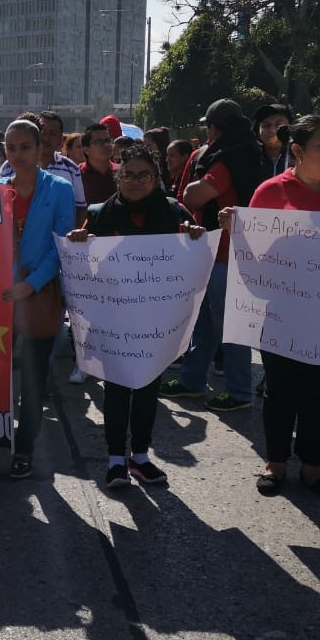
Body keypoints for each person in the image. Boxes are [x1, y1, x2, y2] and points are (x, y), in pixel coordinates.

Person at [229, 114, 320, 499]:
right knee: (280, 389)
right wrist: (236, 232)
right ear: (297, 151)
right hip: (282, 311)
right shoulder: (271, 192)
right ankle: (275, 462)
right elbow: (253, 251)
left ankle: (312, 465)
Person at [68, 144, 204, 490]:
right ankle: (116, 460)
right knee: (116, 391)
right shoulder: (100, 215)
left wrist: (195, 238)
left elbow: (194, 256)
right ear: (118, 177)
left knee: (147, 390)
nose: (136, 181)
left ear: (157, 179)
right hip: (114, 321)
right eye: (128, 175)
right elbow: (83, 264)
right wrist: (80, 242)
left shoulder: (175, 213)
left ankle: (140, 457)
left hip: (156, 321)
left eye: (144, 175)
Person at [160, 99, 260, 413]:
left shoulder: (230, 157)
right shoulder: (246, 153)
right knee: (203, 323)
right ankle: (191, 380)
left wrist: (192, 182)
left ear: (215, 128)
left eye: (209, 126)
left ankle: (240, 391)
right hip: (214, 251)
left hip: (227, 254)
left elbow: (193, 195)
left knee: (231, 327)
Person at [0, 117, 75, 479]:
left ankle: (24, 446)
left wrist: (33, 282)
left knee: (32, 376)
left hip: (40, 294)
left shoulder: (59, 188)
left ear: (40, 147)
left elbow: (62, 244)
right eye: (10, 148)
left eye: (24, 147)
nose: (17, 154)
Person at [0, 111, 86, 224]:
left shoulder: (66, 181)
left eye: (52, 133)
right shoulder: (5, 172)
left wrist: (73, 237)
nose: (46, 138)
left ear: (61, 138)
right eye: (11, 148)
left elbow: (79, 210)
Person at [253, 103, 292, 178]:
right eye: (266, 125)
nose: (272, 130)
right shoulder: (250, 158)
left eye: (279, 125)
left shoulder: (301, 157)